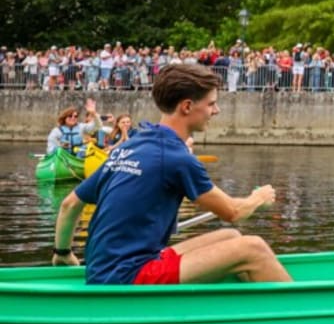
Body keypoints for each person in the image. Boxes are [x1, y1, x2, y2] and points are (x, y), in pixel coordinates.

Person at [51, 63, 291, 285]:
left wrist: (62, 253)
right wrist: (259, 198)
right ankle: (301, 312)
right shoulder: (177, 158)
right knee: (253, 248)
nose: (216, 110)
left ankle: (250, 309)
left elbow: (70, 204)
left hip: (102, 268)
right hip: (127, 276)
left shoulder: (128, 147)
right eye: (211, 104)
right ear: (187, 106)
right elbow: (233, 212)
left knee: (230, 237)